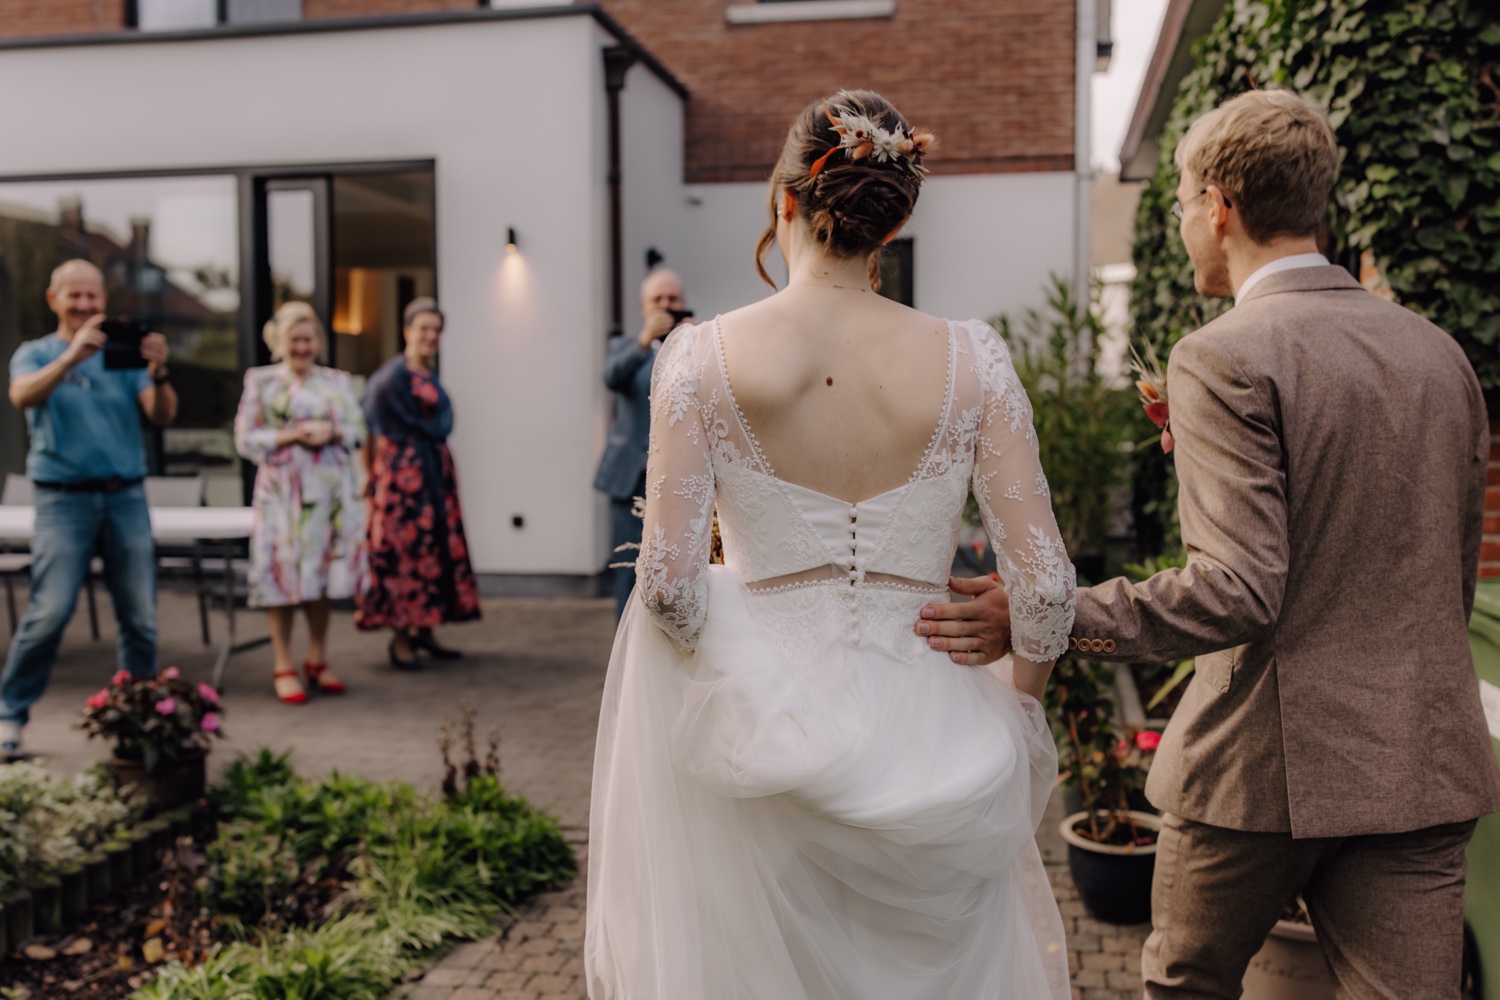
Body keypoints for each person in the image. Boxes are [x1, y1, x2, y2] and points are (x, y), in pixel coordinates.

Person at [915, 89, 1500, 996]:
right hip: (1419, 765)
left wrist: (1052, 615)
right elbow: (1444, 565)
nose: (1187, 221)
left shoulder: (1224, 355)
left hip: (1260, 774)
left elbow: (1239, 588)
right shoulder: (1439, 354)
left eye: (1183, 201)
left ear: (1218, 207)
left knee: (1186, 987)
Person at [586, 90, 1075, 998]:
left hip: (763, 738)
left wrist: (732, 648)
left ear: (783, 203)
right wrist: (1015, 708)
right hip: (937, 734)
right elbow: (1044, 589)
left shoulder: (700, 359)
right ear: (895, 221)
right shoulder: (975, 360)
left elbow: (667, 586)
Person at [0, 259, 176, 759]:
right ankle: (9, 716)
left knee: (140, 617)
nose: (84, 305)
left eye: (92, 297)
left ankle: (139, 720)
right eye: (73, 296)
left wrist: (159, 374)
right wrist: (71, 358)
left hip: (126, 497)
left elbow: (160, 414)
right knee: (50, 612)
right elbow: (21, 396)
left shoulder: (122, 358)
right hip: (62, 500)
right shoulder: (35, 354)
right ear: (53, 299)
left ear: (103, 300)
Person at [234, 302, 367, 705]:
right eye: (295, 339)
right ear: (280, 342)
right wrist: (289, 436)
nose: (302, 347)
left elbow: (358, 432)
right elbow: (244, 439)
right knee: (281, 577)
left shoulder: (337, 382)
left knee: (320, 578)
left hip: (326, 497)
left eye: (309, 339)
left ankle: (317, 658)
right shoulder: (262, 382)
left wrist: (332, 431)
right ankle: (282, 663)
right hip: (282, 500)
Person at [355, 298, 480, 669]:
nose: (430, 335)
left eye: (436, 330)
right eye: (423, 328)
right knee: (405, 552)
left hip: (433, 474)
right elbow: (366, 426)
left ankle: (426, 630)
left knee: (434, 549)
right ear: (406, 330)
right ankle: (400, 638)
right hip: (402, 479)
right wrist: (368, 474)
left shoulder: (427, 374)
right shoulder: (390, 378)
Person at [595, 269, 688, 619]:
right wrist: (643, 342)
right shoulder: (625, 347)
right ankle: (624, 654)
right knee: (626, 568)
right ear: (642, 306)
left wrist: (690, 338)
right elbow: (611, 377)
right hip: (628, 476)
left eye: (672, 299)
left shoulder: (694, 344)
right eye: (657, 300)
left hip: (677, 475)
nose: (666, 306)